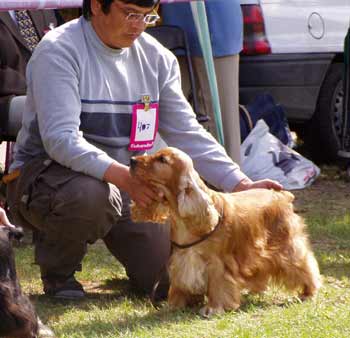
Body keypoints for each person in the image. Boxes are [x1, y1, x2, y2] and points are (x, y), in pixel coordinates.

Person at [6, 0, 282, 300]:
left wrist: (241, 184)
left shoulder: (158, 58)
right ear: (97, 6)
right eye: (129, 14)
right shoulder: (58, 50)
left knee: (166, 282)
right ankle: (59, 275)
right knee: (92, 194)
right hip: (47, 176)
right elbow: (61, 140)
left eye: (146, 16)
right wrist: (125, 178)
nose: (138, 25)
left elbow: (187, 132)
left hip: (129, 182)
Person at [161, 0, 243, 164]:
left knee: (220, 117)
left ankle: (231, 184)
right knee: (173, 113)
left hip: (213, 24)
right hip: (170, 25)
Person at [0, 9, 58, 140]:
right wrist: (36, 84)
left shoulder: (41, 6)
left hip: (51, 91)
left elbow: (64, 46)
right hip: (8, 99)